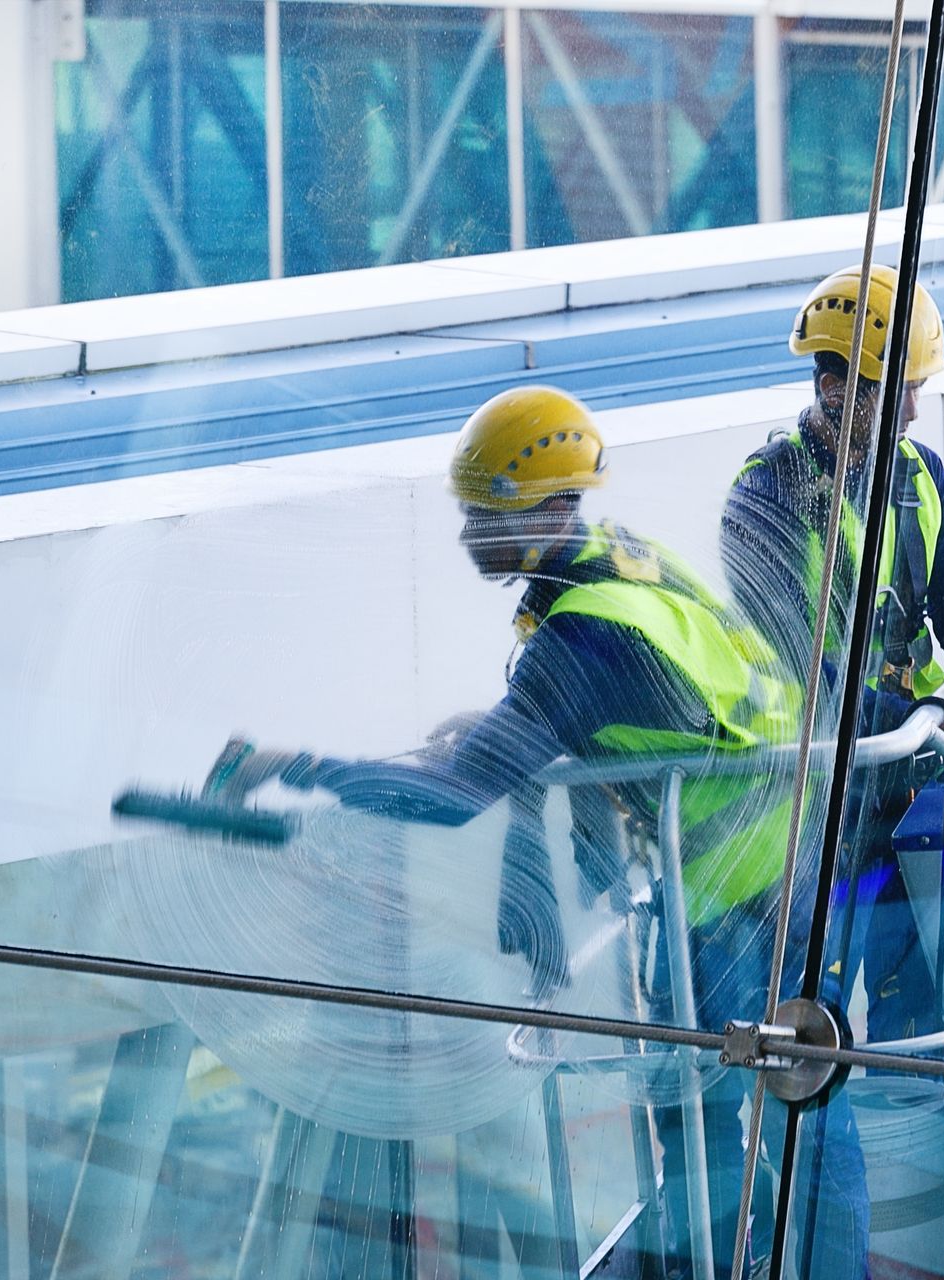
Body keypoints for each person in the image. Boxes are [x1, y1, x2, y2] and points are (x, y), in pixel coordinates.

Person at [203, 385, 866, 1278]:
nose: (472, 534)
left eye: (489, 514)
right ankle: (706, 1258)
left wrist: (293, 767)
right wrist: (504, 724)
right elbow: (617, 704)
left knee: (780, 1107)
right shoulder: (614, 560)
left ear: (552, 506)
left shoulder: (582, 634)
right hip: (770, 852)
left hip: (739, 886)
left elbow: (451, 795)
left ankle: (754, 1262)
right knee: (744, 1101)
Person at [721, 263, 944, 1046]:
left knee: (929, 978)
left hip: (905, 773)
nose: (915, 407)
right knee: (824, 1006)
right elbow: (802, 673)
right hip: (817, 797)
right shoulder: (767, 502)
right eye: (898, 387)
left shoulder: (916, 477)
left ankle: (920, 1103)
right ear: (833, 384)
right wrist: (928, 724)